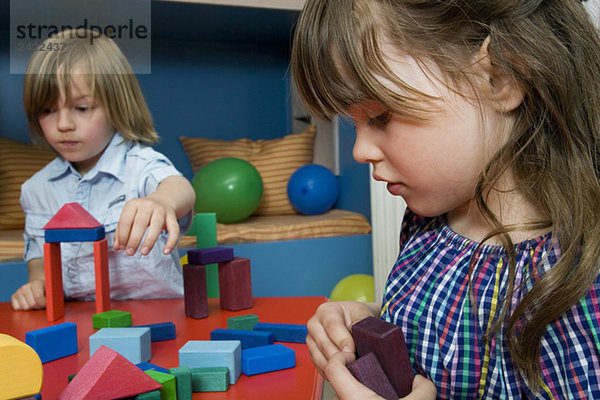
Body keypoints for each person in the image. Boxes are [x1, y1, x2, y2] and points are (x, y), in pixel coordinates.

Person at [291, 0, 600, 398]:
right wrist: (371, 323)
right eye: (353, 123)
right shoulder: (426, 225)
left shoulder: (578, 280)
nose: (360, 151)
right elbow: (441, 342)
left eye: (381, 116)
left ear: (501, 78)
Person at [11, 29, 196, 311]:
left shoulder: (139, 165)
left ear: (117, 107)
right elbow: (37, 253)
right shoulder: (35, 189)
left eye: (82, 108)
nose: (63, 124)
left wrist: (160, 202)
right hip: (78, 319)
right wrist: (37, 285)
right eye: (47, 110)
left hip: (159, 317)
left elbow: (179, 187)